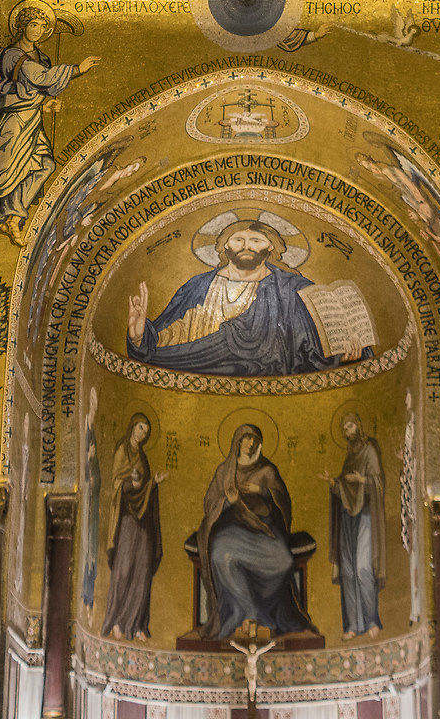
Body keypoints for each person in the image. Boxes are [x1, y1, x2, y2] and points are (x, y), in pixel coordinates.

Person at [127, 221, 350, 378]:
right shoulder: (198, 286)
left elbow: (314, 342)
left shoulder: (291, 289)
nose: (246, 246)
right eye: (238, 240)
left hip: (274, 383)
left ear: (270, 246)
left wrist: (343, 352)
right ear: (225, 245)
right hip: (202, 375)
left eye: (256, 240)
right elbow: (176, 333)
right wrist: (139, 337)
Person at [0, 6, 100, 234]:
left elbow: (42, 88)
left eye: (43, 27)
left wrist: (45, 104)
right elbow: (38, 78)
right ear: (22, 26)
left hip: (32, 119)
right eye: (33, 25)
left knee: (46, 165)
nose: (38, 31)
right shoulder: (12, 54)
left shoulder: (42, 57)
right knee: (6, 171)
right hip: (13, 119)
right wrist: (77, 70)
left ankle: (15, 215)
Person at [196, 425, 314, 639]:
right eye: (246, 438)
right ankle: (245, 614)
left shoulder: (267, 470)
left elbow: (283, 502)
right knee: (221, 555)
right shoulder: (225, 471)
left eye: (255, 440)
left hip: (263, 528)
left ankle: (263, 611)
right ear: (238, 441)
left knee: (283, 561)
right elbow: (209, 503)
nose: (250, 443)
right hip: (231, 528)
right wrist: (229, 501)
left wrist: (262, 491)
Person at [102, 415, 164, 639]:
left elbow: (145, 487)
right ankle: (117, 620)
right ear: (132, 427)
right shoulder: (122, 450)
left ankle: (137, 623)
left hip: (143, 521)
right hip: (127, 518)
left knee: (143, 569)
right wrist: (131, 483)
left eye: (145, 432)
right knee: (125, 567)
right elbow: (116, 482)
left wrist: (153, 482)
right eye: (140, 428)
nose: (142, 434)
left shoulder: (143, 457)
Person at [325, 411, 385, 636]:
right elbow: (345, 488)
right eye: (344, 429)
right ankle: (352, 625)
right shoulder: (349, 456)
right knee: (348, 571)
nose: (347, 432)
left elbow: (379, 482)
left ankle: (371, 620)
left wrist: (362, 479)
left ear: (358, 425)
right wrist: (334, 483)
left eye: (349, 426)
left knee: (362, 568)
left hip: (366, 514)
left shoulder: (369, 449)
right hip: (347, 517)